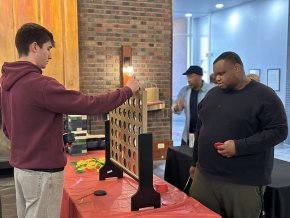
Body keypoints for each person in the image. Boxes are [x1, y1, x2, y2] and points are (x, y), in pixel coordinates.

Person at [0, 23, 140, 218]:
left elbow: (8, 129)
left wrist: (50, 138)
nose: (50, 56)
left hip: (21, 171)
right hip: (43, 173)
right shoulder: (41, 85)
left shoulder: (7, 84)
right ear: (34, 47)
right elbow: (89, 104)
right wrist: (127, 91)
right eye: (48, 49)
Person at [188, 51, 288, 218]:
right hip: (205, 176)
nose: (217, 78)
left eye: (222, 74)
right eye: (215, 74)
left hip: (243, 182)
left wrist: (239, 147)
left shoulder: (264, 96)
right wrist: (194, 162)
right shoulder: (212, 94)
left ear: (237, 68)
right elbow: (201, 128)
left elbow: (279, 131)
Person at [172, 66, 212, 147]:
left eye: (191, 76)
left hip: (205, 135)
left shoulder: (210, 90)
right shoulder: (184, 90)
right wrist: (176, 107)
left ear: (200, 76)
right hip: (189, 134)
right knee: (187, 156)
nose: (188, 79)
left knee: (201, 157)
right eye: (187, 76)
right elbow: (175, 108)